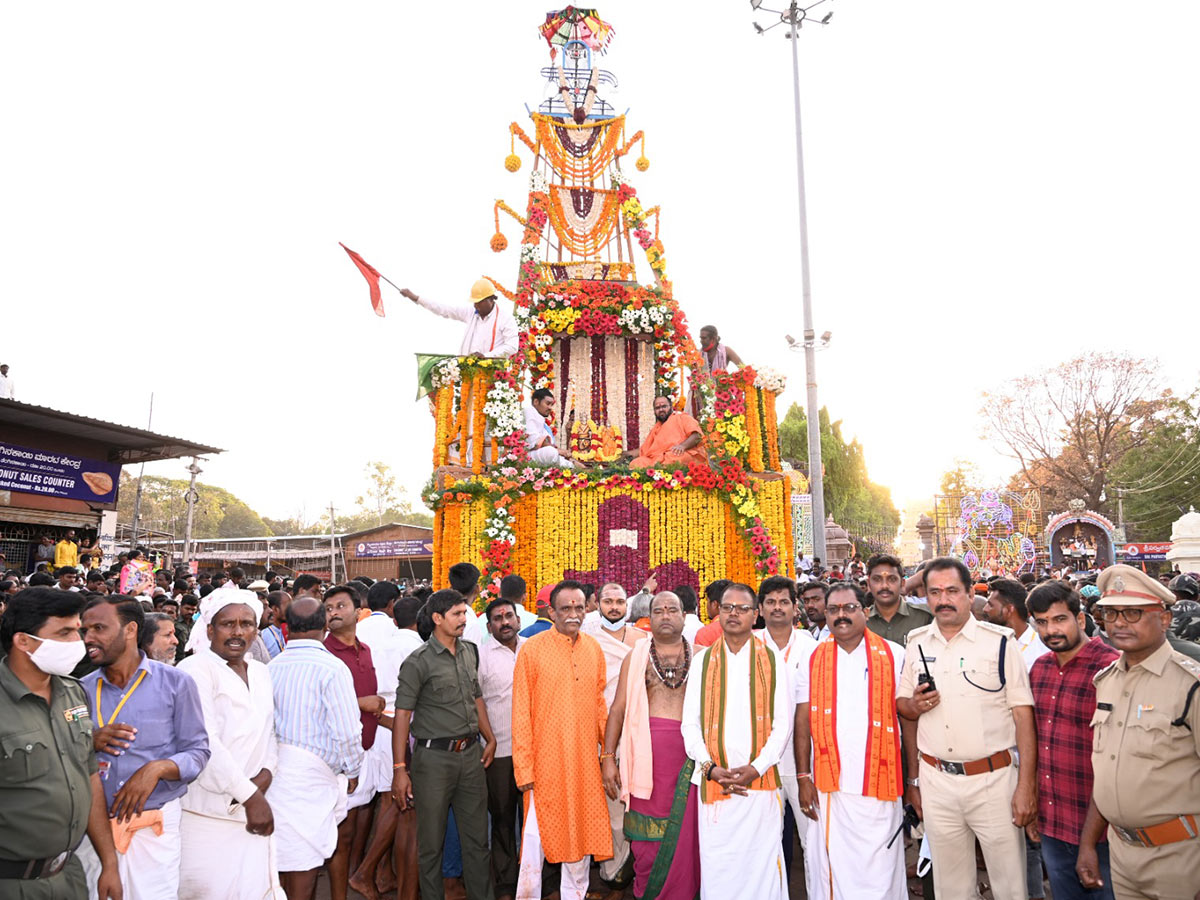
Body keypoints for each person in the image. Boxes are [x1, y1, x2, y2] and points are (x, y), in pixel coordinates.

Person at [897, 557, 1036, 900]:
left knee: (1010, 885)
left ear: (970, 593)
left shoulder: (1001, 642)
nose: (943, 599)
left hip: (994, 781)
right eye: (934, 592)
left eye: (952, 591)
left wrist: (1026, 787)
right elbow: (903, 707)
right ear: (926, 597)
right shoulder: (916, 642)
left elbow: (1023, 718)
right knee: (951, 888)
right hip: (937, 782)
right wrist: (913, 706)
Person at [1076, 564, 1200, 899]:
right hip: (1122, 855)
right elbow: (1108, 770)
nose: (1118, 623)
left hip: (1181, 858)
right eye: (1110, 613)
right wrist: (1088, 843)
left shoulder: (1191, 685)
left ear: (1164, 619)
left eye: (1132, 612)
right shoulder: (1106, 682)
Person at [79, 594, 210, 899]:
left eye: (99, 628)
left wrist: (158, 768)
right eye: (85, 630)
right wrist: (89, 741)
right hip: (91, 831)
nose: (89, 638)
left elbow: (198, 751)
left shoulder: (177, 683)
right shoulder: (79, 689)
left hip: (152, 830)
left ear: (130, 630)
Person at [0, 587, 122, 900]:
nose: (77, 643)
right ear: (23, 641)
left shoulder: (72, 692)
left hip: (67, 877)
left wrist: (109, 863)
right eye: (64, 633)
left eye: (77, 631)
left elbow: (89, 778)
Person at [794, 581, 906, 899]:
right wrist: (803, 776)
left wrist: (913, 781)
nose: (841, 616)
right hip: (829, 788)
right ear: (825, 615)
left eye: (849, 608)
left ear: (866, 612)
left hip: (880, 787)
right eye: (834, 610)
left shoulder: (894, 655)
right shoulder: (813, 658)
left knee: (882, 869)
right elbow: (801, 720)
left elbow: (907, 719)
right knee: (831, 870)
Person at [681, 582, 792, 900]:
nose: (733, 614)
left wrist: (755, 768)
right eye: (727, 607)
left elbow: (781, 727)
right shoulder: (703, 662)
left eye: (742, 608)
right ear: (717, 613)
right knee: (719, 867)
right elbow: (690, 726)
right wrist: (710, 768)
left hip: (759, 785)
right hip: (715, 786)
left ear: (756, 614)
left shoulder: (772, 661)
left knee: (763, 868)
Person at [392, 589, 497, 900]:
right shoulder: (417, 662)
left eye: (464, 613)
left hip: (471, 757)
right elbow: (402, 716)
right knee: (431, 844)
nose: (463, 619)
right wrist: (400, 768)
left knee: (477, 842)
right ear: (437, 619)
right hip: (433, 760)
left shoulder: (469, 652)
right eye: (457, 614)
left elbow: (476, 697)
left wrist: (489, 738)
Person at [176, 591, 282, 899]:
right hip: (206, 815)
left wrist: (266, 774)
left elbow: (270, 733)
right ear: (210, 630)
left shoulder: (262, 672)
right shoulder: (195, 670)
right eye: (228, 624)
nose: (238, 632)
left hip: (254, 806)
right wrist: (250, 796)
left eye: (247, 624)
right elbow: (205, 744)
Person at [512, 580, 613, 900]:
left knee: (580, 838)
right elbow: (520, 713)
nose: (573, 614)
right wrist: (524, 769)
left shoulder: (592, 648)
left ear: (587, 610)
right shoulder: (532, 649)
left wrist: (608, 754)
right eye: (566, 608)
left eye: (579, 608)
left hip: (584, 764)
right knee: (533, 843)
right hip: (543, 766)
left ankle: (575, 895)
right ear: (551, 611)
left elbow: (599, 706)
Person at [602, 590, 701, 900]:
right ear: (648, 617)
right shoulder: (637, 655)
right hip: (643, 763)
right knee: (647, 844)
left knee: (689, 840)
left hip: (691, 764)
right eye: (659, 611)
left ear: (685, 616)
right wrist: (607, 758)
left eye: (673, 610)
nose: (666, 615)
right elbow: (617, 709)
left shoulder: (702, 656)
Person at [1025, 580, 1119, 900]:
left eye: (1059, 619)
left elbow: (1117, 759)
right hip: (1053, 822)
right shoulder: (1039, 669)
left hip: (1104, 829)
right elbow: (1037, 744)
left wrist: (1090, 842)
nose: (1051, 630)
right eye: (1041, 622)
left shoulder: (1110, 668)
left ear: (1080, 620)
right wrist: (1035, 805)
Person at [268, 597, 364, 900]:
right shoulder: (332, 668)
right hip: (310, 779)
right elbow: (348, 731)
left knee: (280, 863)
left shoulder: (269, 666)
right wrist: (353, 769)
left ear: (288, 626)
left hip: (273, 775)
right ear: (325, 625)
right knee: (303, 865)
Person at [352, 593, 425, 900]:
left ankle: (380, 872)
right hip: (398, 727)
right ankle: (367, 872)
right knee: (398, 803)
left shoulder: (383, 643)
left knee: (390, 801)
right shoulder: (418, 648)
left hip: (380, 724)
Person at [322, 585, 385, 900]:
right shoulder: (325, 653)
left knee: (359, 823)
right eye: (329, 607)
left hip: (366, 750)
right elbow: (321, 702)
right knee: (342, 836)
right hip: (337, 758)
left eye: (340, 606)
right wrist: (364, 703)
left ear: (358, 611)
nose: (333, 612)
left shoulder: (366, 649)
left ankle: (356, 877)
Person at [753, 575, 817, 872]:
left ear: (795, 608)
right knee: (765, 846)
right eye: (770, 602)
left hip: (804, 761)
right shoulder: (748, 646)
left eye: (784, 602)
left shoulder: (812, 646)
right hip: (761, 761)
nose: (777, 608)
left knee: (813, 841)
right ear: (760, 609)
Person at [587, 582, 647, 891]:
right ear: (598, 604)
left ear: (627, 605)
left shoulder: (642, 639)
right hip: (602, 736)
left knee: (637, 803)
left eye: (620, 601)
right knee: (611, 810)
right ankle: (613, 873)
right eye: (608, 601)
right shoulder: (587, 641)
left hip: (637, 735)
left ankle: (639, 867)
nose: (614, 607)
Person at [478, 595, 526, 900]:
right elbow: (475, 701)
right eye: (498, 618)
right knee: (504, 820)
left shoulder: (533, 650)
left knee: (536, 819)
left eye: (509, 616)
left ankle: (542, 880)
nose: (505, 622)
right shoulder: (481, 657)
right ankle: (507, 884)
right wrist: (489, 739)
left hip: (534, 750)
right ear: (489, 625)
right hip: (500, 753)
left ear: (519, 621)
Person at [402, 278, 519, 357]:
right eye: (474, 302)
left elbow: (512, 346)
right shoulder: (471, 312)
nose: (475, 305)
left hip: (492, 377)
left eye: (479, 302)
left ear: (491, 299)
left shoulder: (506, 319)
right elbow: (444, 310)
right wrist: (416, 298)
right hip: (468, 372)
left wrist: (486, 356)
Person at [865, 553, 932, 645]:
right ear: (869, 584)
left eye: (892, 579)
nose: (884, 586)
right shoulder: (862, 622)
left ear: (903, 583)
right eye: (877, 579)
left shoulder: (924, 617)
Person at [984, 577, 1049, 670]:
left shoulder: (1043, 649)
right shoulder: (987, 644)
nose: (985, 609)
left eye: (990, 605)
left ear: (1009, 609)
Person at [630, 396, 707, 469]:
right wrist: (627, 454)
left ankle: (658, 473)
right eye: (657, 408)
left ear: (670, 406)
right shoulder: (656, 428)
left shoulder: (682, 417)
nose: (661, 410)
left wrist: (682, 446)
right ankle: (655, 473)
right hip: (658, 458)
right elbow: (645, 449)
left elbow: (697, 436)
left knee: (675, 458)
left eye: (664, 406)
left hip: (680, 453)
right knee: (637, 462)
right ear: (654, 411)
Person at [524, 388, 574, 468]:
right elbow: (533, 440)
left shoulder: (541, 420)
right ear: (536, 402)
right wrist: (559, 451)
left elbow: (548, 442)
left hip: (538, 454)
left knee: (558, 455)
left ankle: (573, 466)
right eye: (548, 404)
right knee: (551, 452)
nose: (550, 407)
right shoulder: (529, 412)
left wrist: (560, 452)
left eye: (551, 405)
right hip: (525, 456)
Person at [691, 579, 731, 648]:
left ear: (714, 604)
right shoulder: (745, 628)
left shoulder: (705, 633)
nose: (706, 606)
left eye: (707, 601)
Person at [261, 591, 288, 658]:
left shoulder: (280, 630)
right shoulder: (266, 635)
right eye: (288, 606)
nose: (291, 610)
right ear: (275, 609)